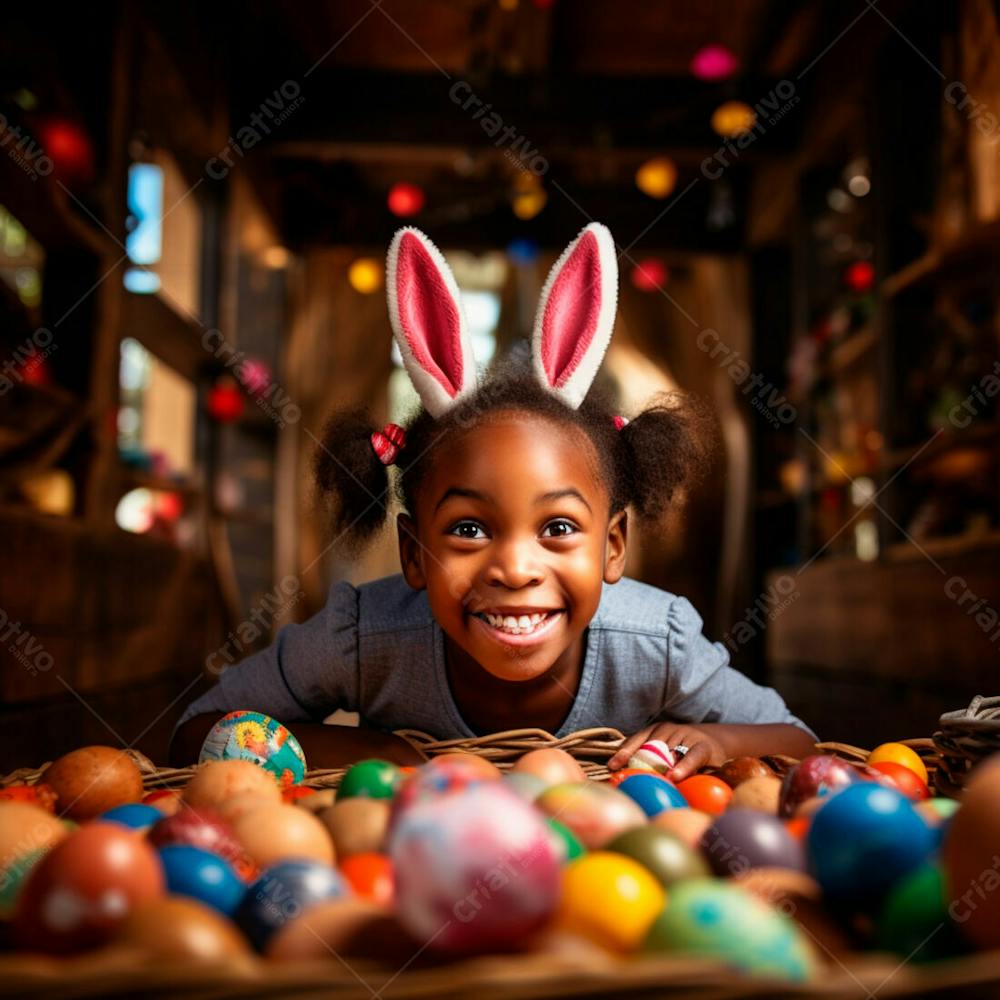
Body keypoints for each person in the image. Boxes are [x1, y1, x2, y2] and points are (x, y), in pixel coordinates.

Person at [170, 223, 816, 776]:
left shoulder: (654, 640)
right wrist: (377, 752)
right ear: (413, 553)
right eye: (470, 530)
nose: (514, 567)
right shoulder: (367, 636)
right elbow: (198, 731)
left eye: (558, 526)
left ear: (613, 546)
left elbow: (797, 742)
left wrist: (716, 738)